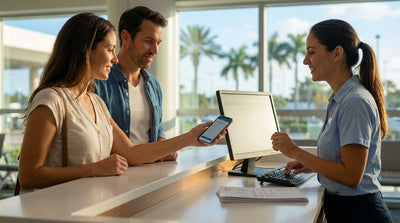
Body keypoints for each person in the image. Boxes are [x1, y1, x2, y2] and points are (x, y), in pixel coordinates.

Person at [18, 13, 223, 190]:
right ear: (86, 50)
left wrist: (189, 138)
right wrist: (95, 169)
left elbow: (131, 153)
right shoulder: (51, 100)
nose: (115, 59)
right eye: (109, 50)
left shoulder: (96, 101)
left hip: (92, 205)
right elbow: (28, 176)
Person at [270, 19, 392, 222]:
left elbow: (351, 176)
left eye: (311, 52)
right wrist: (310, 164)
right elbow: (342, 161)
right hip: (346, 209)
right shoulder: (340, 98)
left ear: (337, 53)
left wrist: (294, 150)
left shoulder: (354, 102)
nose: (305, 61)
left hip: (360, 213)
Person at [95, 6, 176, 162]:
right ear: (126, 37)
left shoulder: (153, 85)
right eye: (148, 41)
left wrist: (163, 147)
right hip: (115, 176)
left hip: (150, 175)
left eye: (158, 43)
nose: (155, 50)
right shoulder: (99, 83)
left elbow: (158, 131)